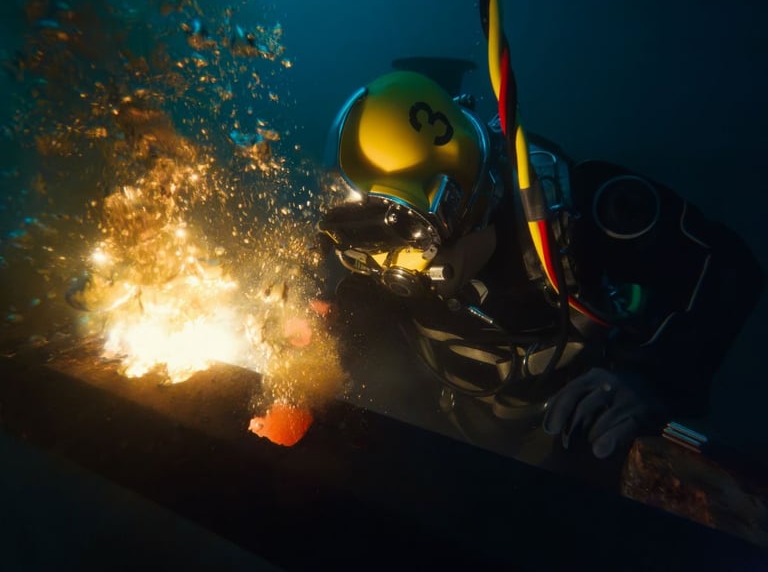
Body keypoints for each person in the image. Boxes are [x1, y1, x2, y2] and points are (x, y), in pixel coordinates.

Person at [315, 60, 765, 461]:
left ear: (456, 201)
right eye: (361, 231)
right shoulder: (372, 259)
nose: (381, 259)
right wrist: (321, 345)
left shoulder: (580, 215)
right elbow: (360, 317)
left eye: (405, 227)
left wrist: (652, 378)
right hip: (451, 422)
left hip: (575, 436)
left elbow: (727, 269)